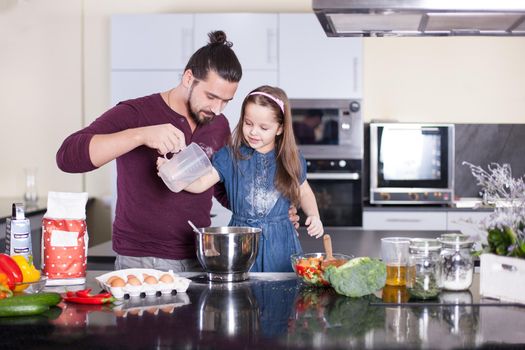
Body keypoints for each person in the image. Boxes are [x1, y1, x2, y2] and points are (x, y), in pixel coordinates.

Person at [56, 31, 298, 272]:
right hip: (143, 260)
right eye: (212, 96)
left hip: (202, 255)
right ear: (188, 78)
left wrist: (272, 212)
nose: (217, 108)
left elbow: (223, 187)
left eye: (227, 101)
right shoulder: (137, 112)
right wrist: (140, 135)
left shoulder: (218, 124)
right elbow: (68, 157)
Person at [158, 85, 324, 272]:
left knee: (283, 294)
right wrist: (173, 173)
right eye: (248, 123)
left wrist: (314, 216)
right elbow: (200, 184)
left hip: (282, 244)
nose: (253, 132)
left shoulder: (290, 159)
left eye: (263, 127)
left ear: (279, 129)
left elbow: (305, 192)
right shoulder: (230, 156)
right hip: (241, 241)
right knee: (244, 294)